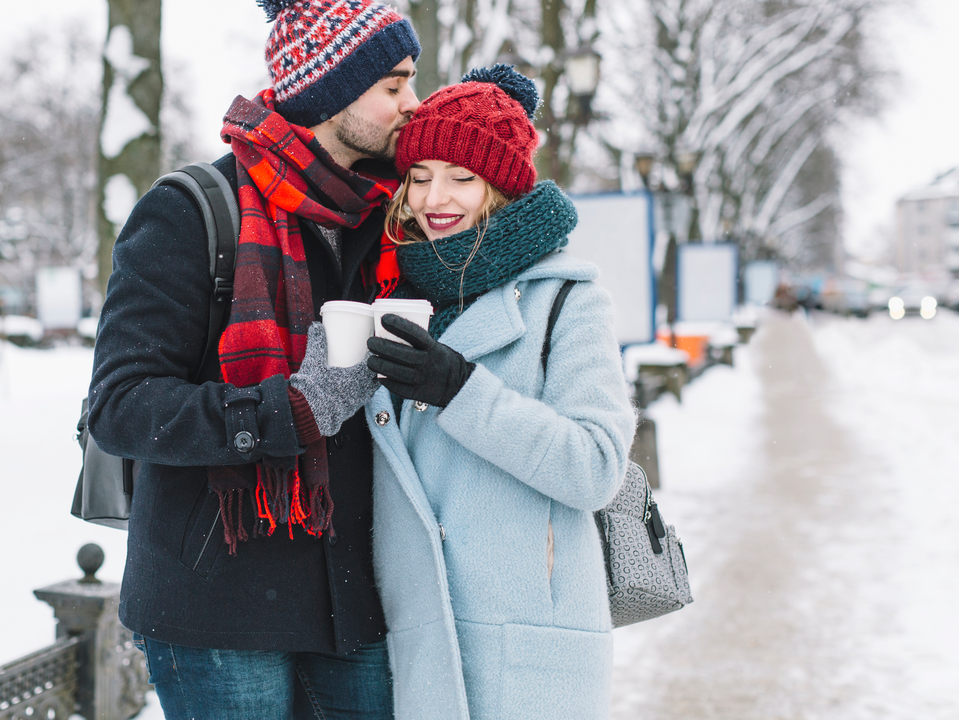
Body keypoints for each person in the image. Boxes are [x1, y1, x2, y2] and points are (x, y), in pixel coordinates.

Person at [86, 1, 420, 717]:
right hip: (217, 608)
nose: (410, 104)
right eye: (393, 85)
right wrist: (289, 410)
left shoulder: (391, 219)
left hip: (358, 599)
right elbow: (119, 408)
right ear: (329, 92)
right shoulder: (190, 213)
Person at [363, 66, 637, 720]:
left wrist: (461, 391)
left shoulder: (568, 299)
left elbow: (596, 466)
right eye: (421, 176)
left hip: (525, 653)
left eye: (462, 177)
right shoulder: (394, 296)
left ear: (503, 186)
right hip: (408, 639)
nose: (437, 197)